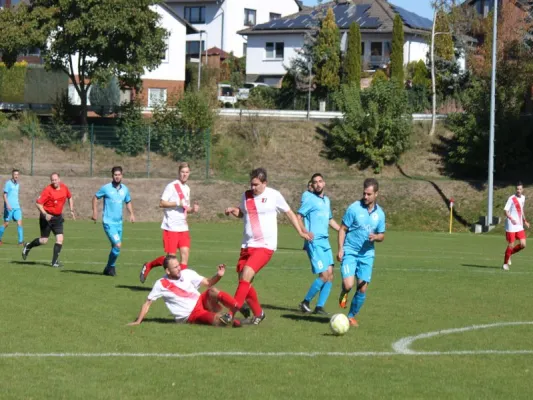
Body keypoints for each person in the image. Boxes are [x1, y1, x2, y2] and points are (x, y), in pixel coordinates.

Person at [223, 167, 313, 325]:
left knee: (246, 274)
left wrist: (301, 231)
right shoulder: (246, 196)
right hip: (247, 245)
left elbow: (290, 213)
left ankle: (230, 313)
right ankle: (258, 313)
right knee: (245, 282)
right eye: (251, 184)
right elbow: (243, 213)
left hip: (265, 246)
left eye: (256, 184)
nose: (253, 187)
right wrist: (234, 210)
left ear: (265, 183)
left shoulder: (274, 195)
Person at [128, 256, 241, 327]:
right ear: (168, 270)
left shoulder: (187, 273)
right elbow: (148, 303)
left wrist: (219, 275)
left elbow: (208, 283)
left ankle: (237, 306)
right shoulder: (161, 283)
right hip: (191, 314)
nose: (179, 268)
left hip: (201, 301)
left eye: (178, 265)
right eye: (175, 267)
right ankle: (236, 321)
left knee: (212, 291)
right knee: (219, 320)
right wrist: (138, 321)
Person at [139, 162, 199, 283]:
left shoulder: (187, 189)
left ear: (189, 173)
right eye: (183, 172)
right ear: (179, 173)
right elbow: (162, 203)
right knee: (170, 259)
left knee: (185, 254)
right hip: (171, 227)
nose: (185, 175)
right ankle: (149, 265)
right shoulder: (172, 186)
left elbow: (184, 208)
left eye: (187, 172)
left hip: (183, 227)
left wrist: (192, 209)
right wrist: (177, 203)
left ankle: (180, 283)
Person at [337, 178, 385, 327]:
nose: (365, 197)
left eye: (369, 194)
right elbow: (342, 229)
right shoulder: (354, 208)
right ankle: (344, 293)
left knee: (362, 287)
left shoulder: (380, 214)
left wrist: (376, 237)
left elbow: (382, 235)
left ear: (376, 194)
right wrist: (340, 249)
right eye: (364, 193)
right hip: (350, 251)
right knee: (348, 284)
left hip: (367, 254)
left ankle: (351, 316)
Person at [297, 173, 340, 315]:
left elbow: (329, 220)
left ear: (324, 183)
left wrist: (342, 230)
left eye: (320, 181)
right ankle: (305, 302)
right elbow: (298, 217)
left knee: (330, 275)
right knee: (323, 275)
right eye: (315, 182)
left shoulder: (326, 200)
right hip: (314, 242)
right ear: (312, 185)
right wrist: (304, 231)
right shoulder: (310, 200)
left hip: (325, 241)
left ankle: (319, 306)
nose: (318, 184)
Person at [22, 173, 75, 267]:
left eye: (55, 179)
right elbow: (38, 203)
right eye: (52, 180)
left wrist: (71, 210)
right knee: (43, 240)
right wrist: (45, 214)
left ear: (59, 179)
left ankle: (54, 262)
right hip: (47, 218)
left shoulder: (64, 188)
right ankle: (28, 246)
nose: (54, 181)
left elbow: (70, 197)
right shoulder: (48, 190)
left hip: (58, 218)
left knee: (60, 239)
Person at [92, 166, 135, 276]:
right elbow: (95, 198)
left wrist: (131, 214)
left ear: (122, 175)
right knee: (117, 245)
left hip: (119, 223)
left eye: (119, 175)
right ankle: (110, 267)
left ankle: (110, 268)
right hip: (108, 222)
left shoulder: (125, 189)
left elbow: (128, 201)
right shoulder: (106, 188)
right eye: (115, 175)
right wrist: (95, 212)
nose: (117, 177)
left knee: (116, 248)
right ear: (112, 176)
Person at [502, 182, 529, 271]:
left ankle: (510, 254)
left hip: (519, 225)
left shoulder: (523, 198)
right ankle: (505, 264)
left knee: (523, 245)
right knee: (511, 244)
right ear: (515, 189)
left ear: (522, 189)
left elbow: (521, 210)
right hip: (511, 225)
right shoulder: (511, 198)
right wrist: (511, 218)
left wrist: (525, 221)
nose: (519, 191)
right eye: (517, 189)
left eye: (520, 189)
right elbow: (505, 211)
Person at [0, 169, 23, 245]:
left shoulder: (18, 184)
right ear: (12, 175)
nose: (16, 176)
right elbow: (4, 195)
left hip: (17, 207)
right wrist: (7, 205)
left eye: (17, 174)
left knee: (20, 223)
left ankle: (21, 242)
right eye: (15, 174)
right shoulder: (8, 183)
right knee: (6, 224)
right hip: (9, 207)